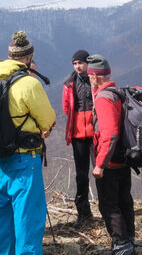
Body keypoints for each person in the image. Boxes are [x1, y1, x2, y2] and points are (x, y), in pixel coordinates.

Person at [0, 31, 56, 255]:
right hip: (25, 157)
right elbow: (47, 120)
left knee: (2, 212)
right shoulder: (28, 84)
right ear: (28, 57)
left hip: (1, 157)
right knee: (27, 215)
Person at [88, 54, 135, 255]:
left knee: (109, 204)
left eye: (90, 75)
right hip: (124, 157)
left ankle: (122, 244)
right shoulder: (118, 93)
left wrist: (100, 164)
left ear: (95, 77)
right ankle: (129, 239)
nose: (89, 78)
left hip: (110, 161)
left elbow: (110, 134)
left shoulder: (103, 98)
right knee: (124, 199)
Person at [61, 49, 95, 228]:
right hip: (78, 135)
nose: (77, 66)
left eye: (80, 63)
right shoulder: (69, 84)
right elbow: (66, 108)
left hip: (96, 133)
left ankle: (108, 211)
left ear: (87, 63)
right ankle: (83, 212)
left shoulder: (96, 80)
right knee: (81, 175)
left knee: (101, 172)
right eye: (75, 63)